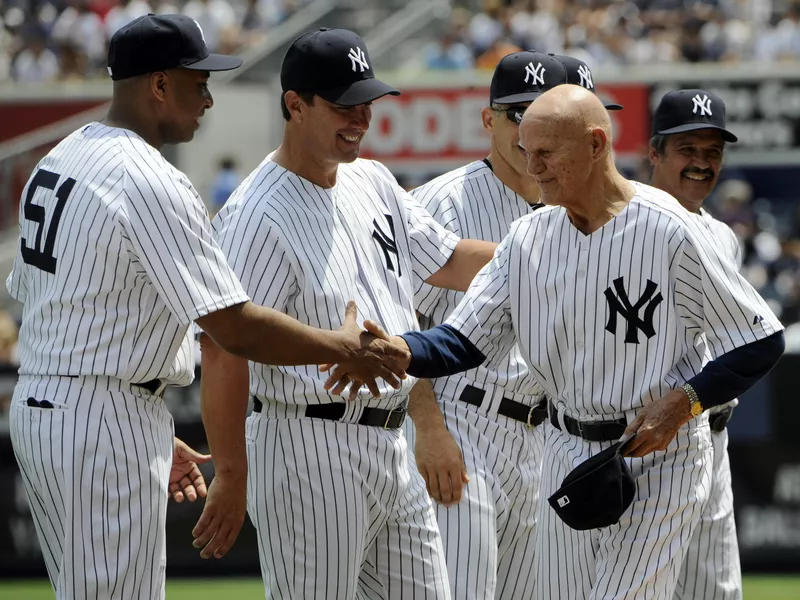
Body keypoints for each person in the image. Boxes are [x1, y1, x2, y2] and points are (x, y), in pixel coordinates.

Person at [326, 85, 785, 599]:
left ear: (595, 145)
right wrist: (405, 352)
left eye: (546, 152)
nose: (533, 166)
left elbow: (760, 339)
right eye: (526, 150)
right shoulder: (529, 239)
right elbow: (465, 340)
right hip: (564, 448)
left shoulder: (669, 229)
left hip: (659, 452)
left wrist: (687, 402)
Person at [6, 15, 406, 600]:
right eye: (198, 84)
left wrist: (133, 413)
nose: (209, 98)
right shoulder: (149, 180)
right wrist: (343, 346)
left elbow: (51, 304)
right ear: (160, 85)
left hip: (55, 403)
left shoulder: (62, 156)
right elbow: (232, 327)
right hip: (96, 416)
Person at [192, 28, 497, 599]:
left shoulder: (373, 180)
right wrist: (231, 473)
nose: (359, 119)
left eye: (366, 105)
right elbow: (224, 345)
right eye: (342, 106)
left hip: (391, 440)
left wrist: (543, 254)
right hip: (308, 446)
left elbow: (451, 260)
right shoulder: (256, 213)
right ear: (295, 104)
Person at [408, 50, 621, 600]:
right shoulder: (441, 203)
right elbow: (398, 321)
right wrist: (429, 430)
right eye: (520, 113)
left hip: (545, 437)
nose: (536, 128)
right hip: (463, 422)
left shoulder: (586, 209)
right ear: (489, 120)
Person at [647, 89, 743, 600]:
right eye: (688, 149)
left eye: (713, 152)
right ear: (655, 152)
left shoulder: (724, 236)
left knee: (716, 592)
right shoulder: (625, 222)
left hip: (712, 435)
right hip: (646, 443)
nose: (702, 164)